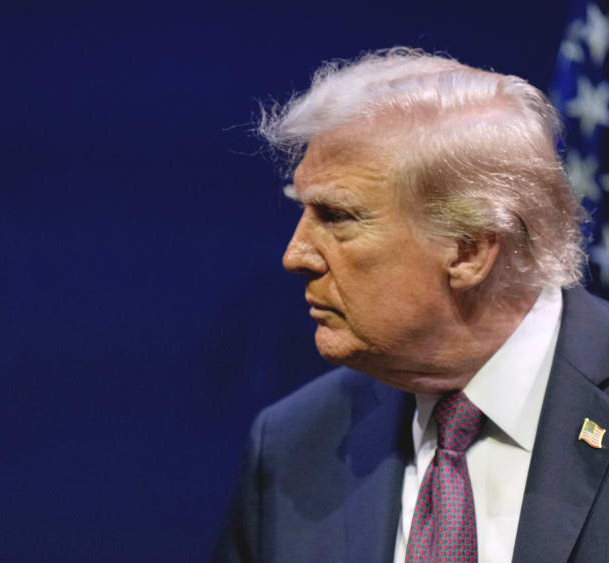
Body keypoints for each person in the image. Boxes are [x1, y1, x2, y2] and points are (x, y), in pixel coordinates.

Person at [211, 47, 609, 562]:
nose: (295, 255)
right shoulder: (291, 447)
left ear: (468, 249)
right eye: (303, 209)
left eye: (336, 216)